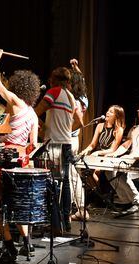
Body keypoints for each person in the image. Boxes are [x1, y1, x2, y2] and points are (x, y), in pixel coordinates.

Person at [0, 49, 41, 262]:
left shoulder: (16, 102)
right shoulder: (34, 115)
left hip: (6, 158)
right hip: (22, 161)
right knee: (16, 203)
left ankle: (9, 244)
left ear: (17, 88)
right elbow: (33, 144)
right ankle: (27, 244)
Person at [35, 66, 82, 232]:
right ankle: (65, 220)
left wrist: (41, 127)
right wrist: (64, 130)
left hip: (54, 144)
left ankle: (55, 225)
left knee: (52, 183)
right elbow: (80, 122)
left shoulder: (54, 92)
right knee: (66, 182)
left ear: (53, 80)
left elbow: (36, 112)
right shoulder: (71, 97)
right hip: (66, 143)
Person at [80, 105, 125, 186]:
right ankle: (92, 192)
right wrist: (86, 150)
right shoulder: (100, 126)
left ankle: (98, 195)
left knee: (95, 172)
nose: (107, 112)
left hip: (107, 156)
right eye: (108, 110)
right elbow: (92, 144)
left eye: (111, 112)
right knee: (84, 171)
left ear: (116, 116)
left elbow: (113, 150)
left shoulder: (119, 130)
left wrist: (98, 153)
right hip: (96, 155)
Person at [68, 58, 89, 221]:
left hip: (67, 139)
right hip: (73, 140)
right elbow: (80, 79)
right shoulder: (83, 98)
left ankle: (81, 208)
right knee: (70, 174)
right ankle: (77, 207)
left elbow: (78, 123)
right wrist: (76, 67)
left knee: (71, 175)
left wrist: (64, 130)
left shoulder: (72, 100)